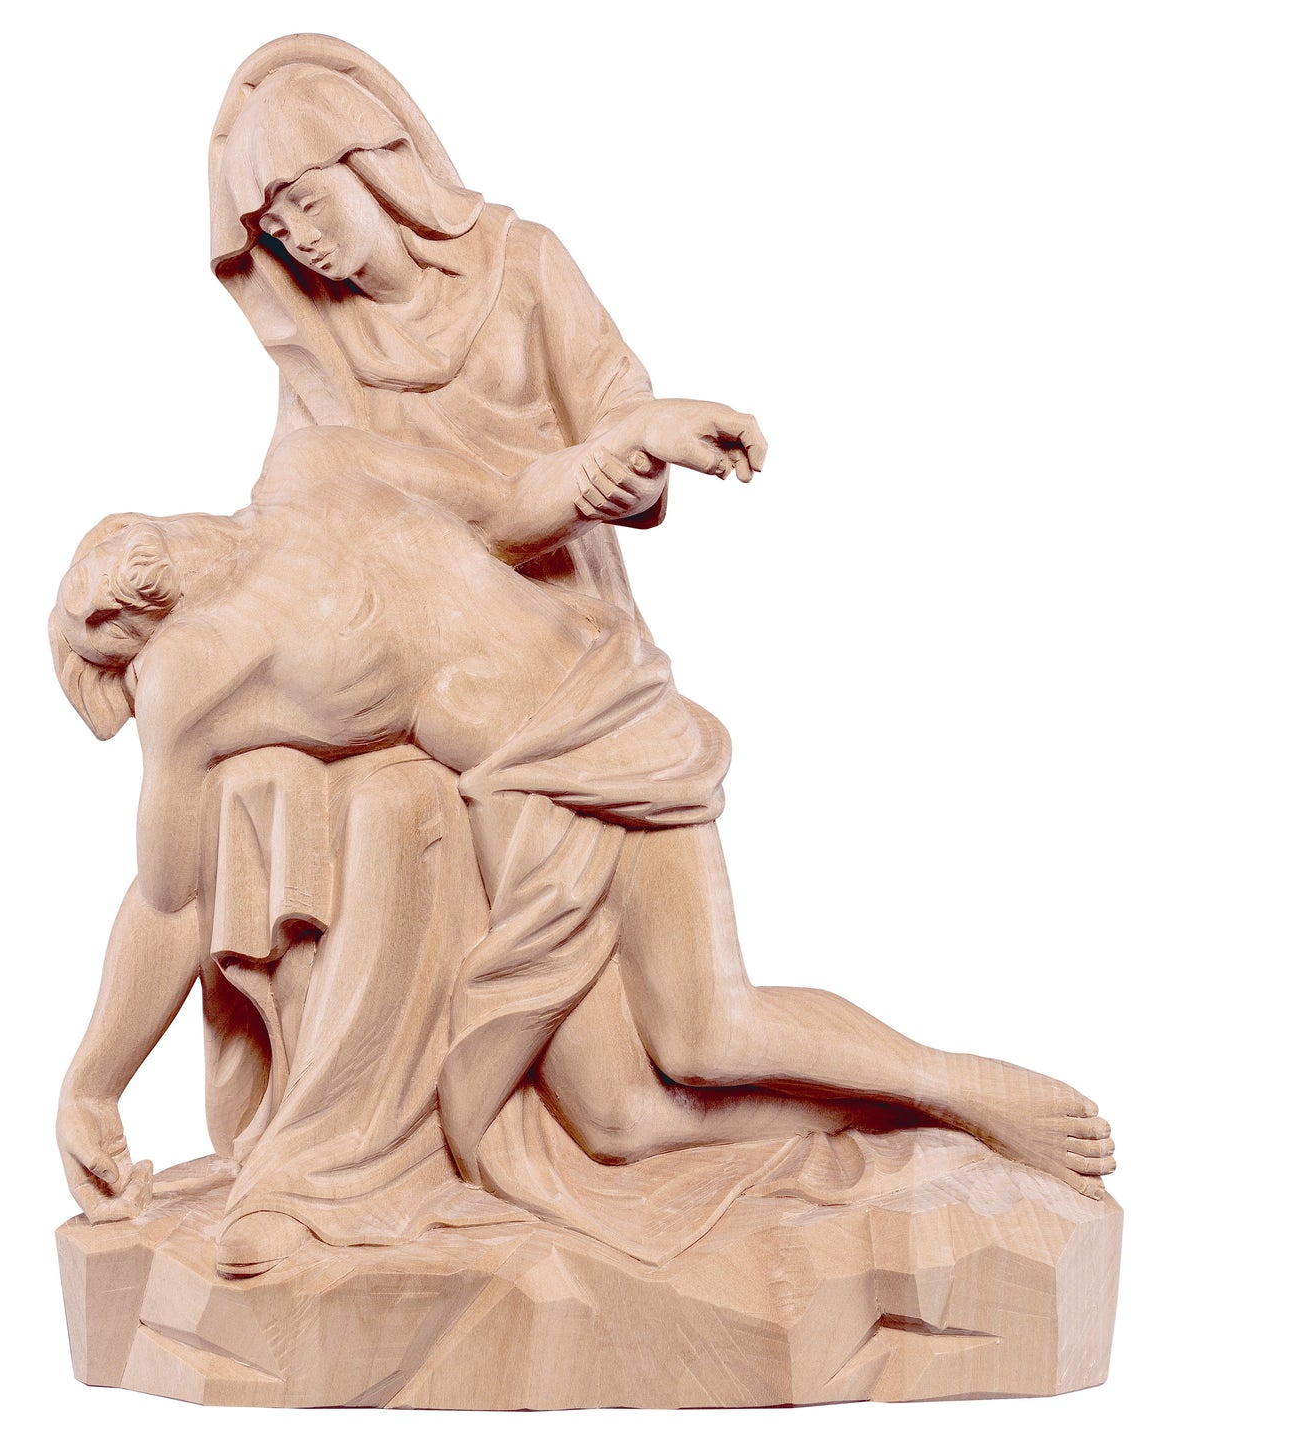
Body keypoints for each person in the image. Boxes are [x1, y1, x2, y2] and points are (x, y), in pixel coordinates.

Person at [54, 426, 1114, 1274]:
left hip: (596, 728)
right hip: (547, 771)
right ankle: (900, 1113)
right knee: (619, 1117)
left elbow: (169, 897)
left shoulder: (253, 563)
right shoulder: (264, 552)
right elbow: (176, 896)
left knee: (708, 1032)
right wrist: (94, 1082)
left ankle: (968, 1089)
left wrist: (93, 1082)